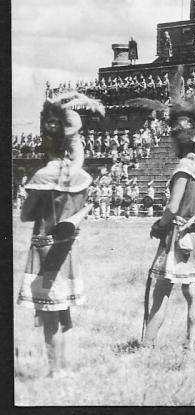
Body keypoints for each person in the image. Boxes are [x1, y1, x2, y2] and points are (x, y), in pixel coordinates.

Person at [17, 90, 104, 377]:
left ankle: (56, 371)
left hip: (44, 249)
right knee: (63, 310)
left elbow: (26, 215)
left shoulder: (42, 175)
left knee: (48, 313)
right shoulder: (80, 176)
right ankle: (64, 367)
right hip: (69, 250)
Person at [143, 97, 195, 350]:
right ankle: (190, 345)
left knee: (161, 291)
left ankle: (147, 344)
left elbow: (172, 206)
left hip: (176, 234)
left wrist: (158, 225)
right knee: (192, 294)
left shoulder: (184, 167)